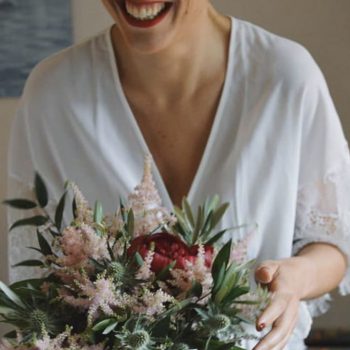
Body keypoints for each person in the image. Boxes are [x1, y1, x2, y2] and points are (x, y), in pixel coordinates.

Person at [6, 0, 350, 349]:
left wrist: (296, 278)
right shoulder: (52, 95)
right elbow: (38, 284)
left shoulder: (286, 77)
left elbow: (332, 243)